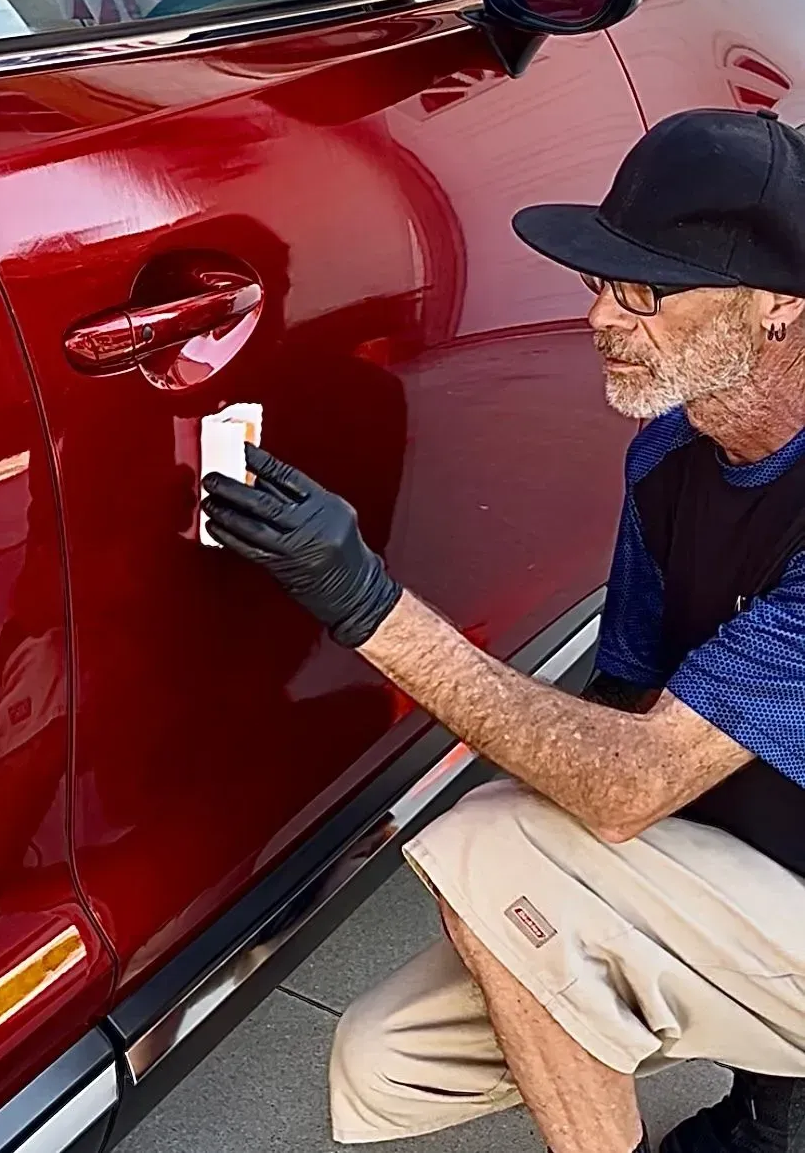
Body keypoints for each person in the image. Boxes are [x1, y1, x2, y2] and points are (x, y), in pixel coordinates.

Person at [200, 107, 805, 1153]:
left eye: (646, 292)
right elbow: (617, 704)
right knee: (387, 1056)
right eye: (596, 283)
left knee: (487, 842)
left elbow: (626, 784)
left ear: (777, 308)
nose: (604, 320)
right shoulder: (668, 458)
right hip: (749, 864)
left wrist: (368, 606)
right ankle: (769, 1094)